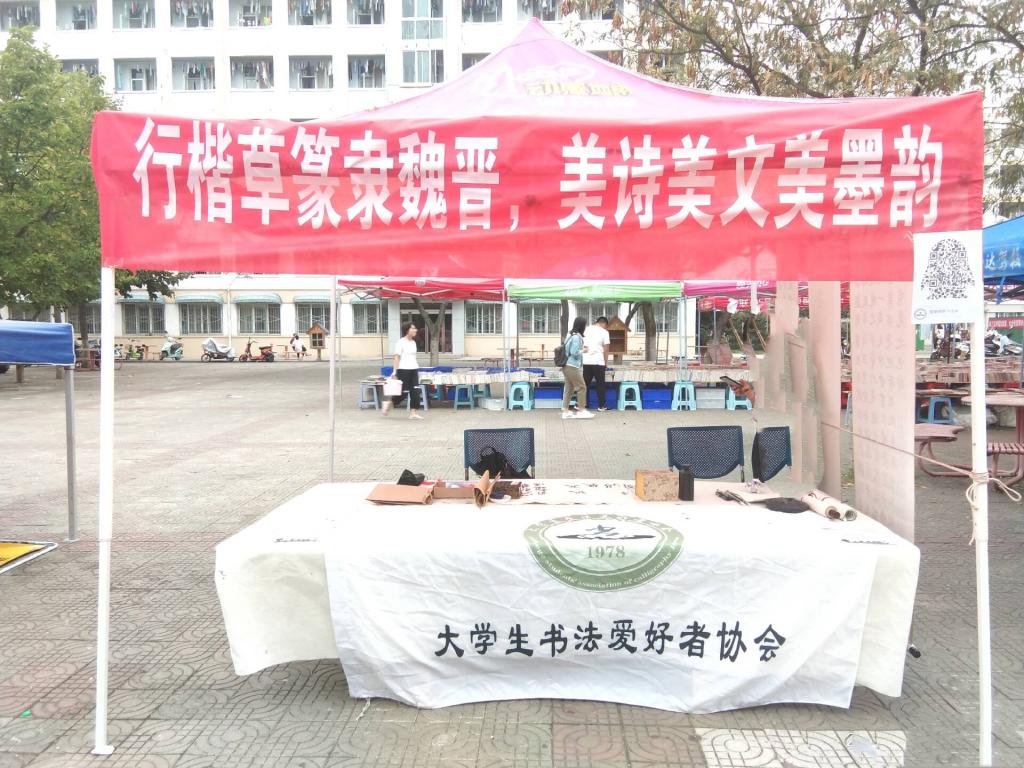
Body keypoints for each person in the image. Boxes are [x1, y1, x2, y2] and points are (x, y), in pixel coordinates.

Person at [383, 322, 423, 419]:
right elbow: (396, 357)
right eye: (413, 328)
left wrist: (417, 370)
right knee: (402, 393)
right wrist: (394, 371)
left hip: (413, 369)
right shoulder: (400, 342)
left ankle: (413, 413)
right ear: (407, 330)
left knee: (415, 391)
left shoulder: (413, 342)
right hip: (403, 369)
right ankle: (389, 403)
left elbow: (413, 357)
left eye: (415, 328)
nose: (415, 330)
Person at [561, 317, 594, 420]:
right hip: (572, 366)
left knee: (569, 388)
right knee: (581, 387)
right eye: (585, 325)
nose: (586, 327)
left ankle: (565, 411)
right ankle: (581, 410)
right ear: (581, 326)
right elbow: (574, 353)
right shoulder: (576, 337)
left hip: (566, 365)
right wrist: (583, 350)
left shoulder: (571, 334)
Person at [582, 316, 611, 411]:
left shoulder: (586, 330)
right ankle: (601, 406)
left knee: (585, 384)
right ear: (604, 324)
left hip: (586, 361)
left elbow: (582, 344)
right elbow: (606, 349)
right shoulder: (604, 332)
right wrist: (605, 363)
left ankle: (583, 405)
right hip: (598, 361)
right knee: (600, 384)